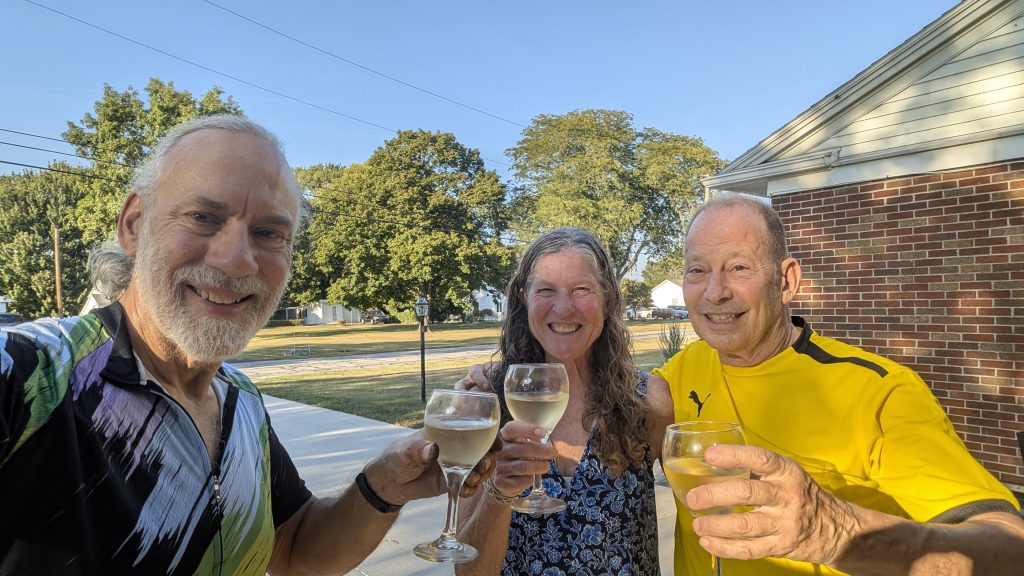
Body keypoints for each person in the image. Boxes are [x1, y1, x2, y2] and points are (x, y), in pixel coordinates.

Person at [0, 115, 491, 575]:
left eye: (268, 233)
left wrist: (384, 483)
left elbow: (295, 551)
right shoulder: (27, 375)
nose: (237, 260)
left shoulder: (240, 399)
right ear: (134, 224)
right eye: (202, 217)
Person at [654, 193, 1024, 575]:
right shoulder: (679, 371)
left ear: (786, 281)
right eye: (697, 270)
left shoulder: (880, 392)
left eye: (739, 267)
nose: (715, 291)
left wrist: (835, 531)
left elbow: (1011, 549)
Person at [454, 228, 674, 575]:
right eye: (546, 290)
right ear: (524, 298)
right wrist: (500, 490)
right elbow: (467, 570)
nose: (564, 308)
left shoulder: (649, 400)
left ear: (608, 299)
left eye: (581, 289)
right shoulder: (485, 403)